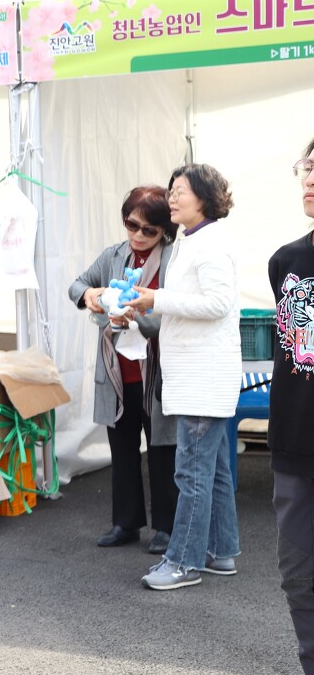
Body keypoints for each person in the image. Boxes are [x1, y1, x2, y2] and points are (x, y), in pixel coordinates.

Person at [129, 163, 242, 591]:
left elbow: (217, 303)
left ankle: (183, 562)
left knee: (191, 473)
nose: (172, 198)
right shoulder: (192, 239)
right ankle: (220, 550)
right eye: (172, 190)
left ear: (205, 198)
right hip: (198, 376)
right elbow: (190, 302)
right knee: (213, 470)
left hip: (202, 378)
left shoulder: (210, 242)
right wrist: (152, 303)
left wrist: (157, 299)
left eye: (181, 191)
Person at [68, 186, 179, 555]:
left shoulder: (175, 260)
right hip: (117, 371)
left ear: (164, 230)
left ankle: (167, 527)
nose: (138, 235)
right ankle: (126, 522)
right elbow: (77, 285)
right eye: (132, 225)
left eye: (149, 229)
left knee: (163, 450)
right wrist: (89, 295)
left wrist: (139, 318)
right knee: (123, 449)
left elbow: (176, 315)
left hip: (157, 371)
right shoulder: (114, 255)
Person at [264, 138, 314, 675]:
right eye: (307, 166)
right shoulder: (286, 261)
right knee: (299, 575)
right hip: (295, 445)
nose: (310, 178)